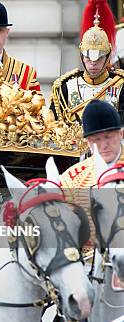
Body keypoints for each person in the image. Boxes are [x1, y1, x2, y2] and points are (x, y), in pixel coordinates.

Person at [60, 100, 124, 246]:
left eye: (108, 137)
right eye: (96, 140)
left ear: (121, 134)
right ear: (88, 142)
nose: (103, 145)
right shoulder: (71, 179)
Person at [50, 0, 124, 124]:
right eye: (88, 57)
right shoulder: (65, 87)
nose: (93, 63)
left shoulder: (120, 85)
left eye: (99, 58)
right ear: (81, 56)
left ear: (107, 57)